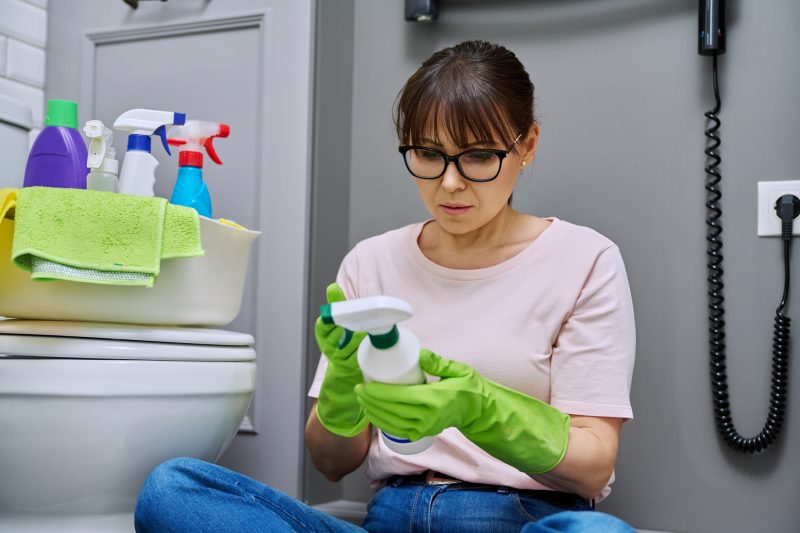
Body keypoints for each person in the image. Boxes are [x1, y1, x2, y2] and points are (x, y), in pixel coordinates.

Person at [134, 40, 636, 533]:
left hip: (516, 517)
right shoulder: (370, 262)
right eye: (427, 154)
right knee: (173, 490)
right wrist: (343, 390)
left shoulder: (584, 259)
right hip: (393, 515)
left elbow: (592, 467)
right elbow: (331, 463)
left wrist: (483, 409)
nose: (450, 183)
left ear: (526, 146)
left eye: (479, 157)